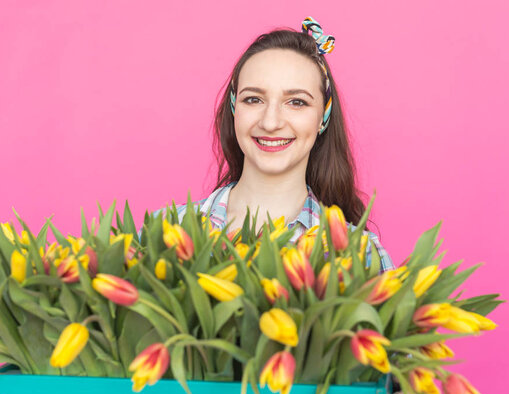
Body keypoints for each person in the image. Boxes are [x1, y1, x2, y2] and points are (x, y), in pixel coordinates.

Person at [147, 16, 396, 273]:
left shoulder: (362, 253)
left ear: (323, 117)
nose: (270, 122)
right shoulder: (162, 230)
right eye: (253, 99)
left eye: (297, 102)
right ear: (235, 110)